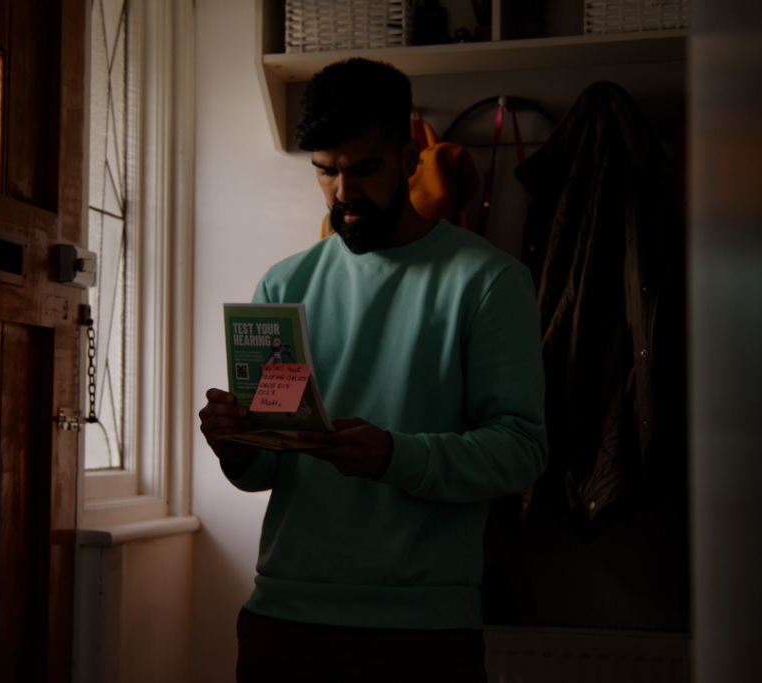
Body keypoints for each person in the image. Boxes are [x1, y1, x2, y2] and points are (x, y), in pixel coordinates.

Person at [198, 57, 548, 682]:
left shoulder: (489, 282)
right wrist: (238, 449)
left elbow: (522, 451)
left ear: (410, 154)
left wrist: (395, 456)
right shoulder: (283, 283)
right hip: (283, 619)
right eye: (326, 173)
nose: (343, 194)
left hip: (420, 632)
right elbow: (273, 463)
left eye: (363, 169)